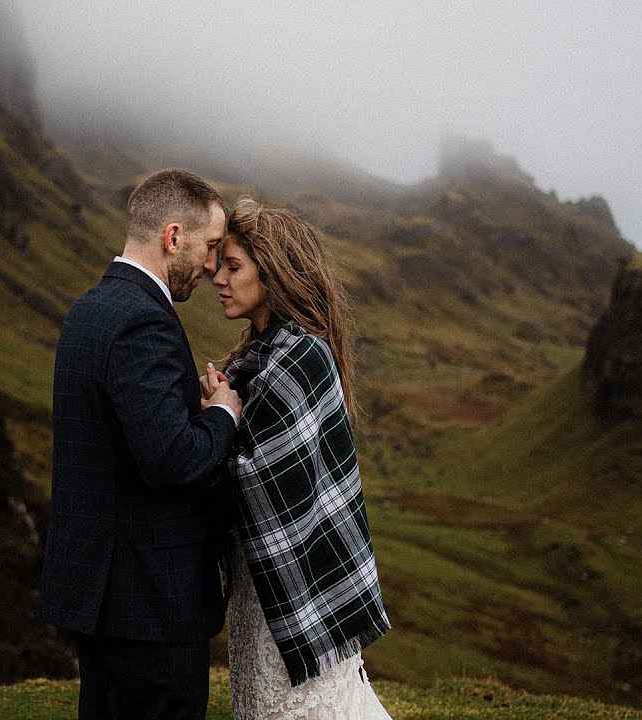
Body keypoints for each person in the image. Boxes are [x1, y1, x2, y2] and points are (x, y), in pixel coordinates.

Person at [40, 168, 244, 720]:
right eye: (206, 248)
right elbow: (172, 459)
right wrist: (222, 416)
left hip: (102, 595)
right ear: (173, 237)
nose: (209, 265)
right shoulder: (141, 321)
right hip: (151, 601)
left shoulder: (89, 310)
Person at [206, 197, 392, 719]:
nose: (218, 277)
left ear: (274, 274)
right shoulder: (258, 356)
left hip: (295, 583)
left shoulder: (300, 356)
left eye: (234, 266)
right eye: (220, 263)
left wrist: (221, 420)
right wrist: (221, 410)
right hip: (259, 583)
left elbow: (263, 479)